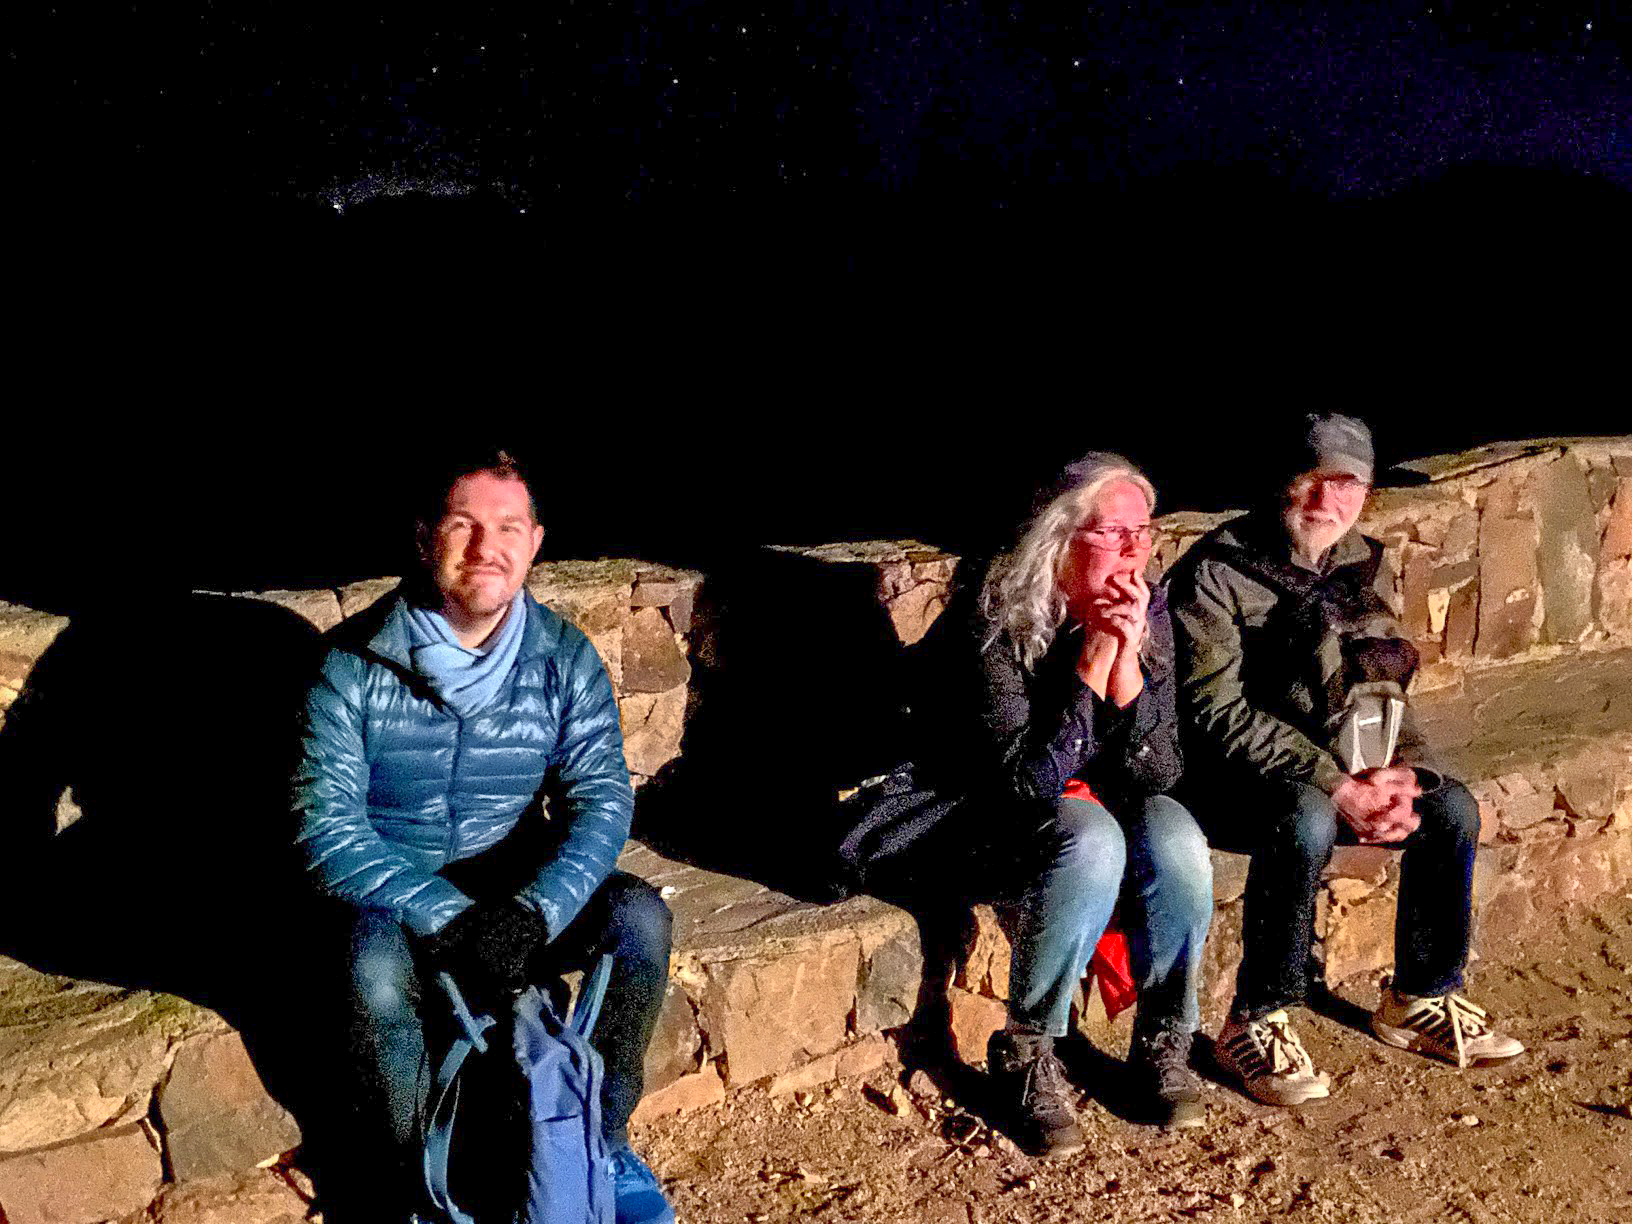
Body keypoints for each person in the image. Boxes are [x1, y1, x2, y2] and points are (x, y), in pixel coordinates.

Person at [292, 450, 675, 1224]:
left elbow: (600, 798)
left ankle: (600, 1136)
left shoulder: (563, 659)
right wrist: (450, 918)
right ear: (426, 535)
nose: (484, 548)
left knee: (639, 917)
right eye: (463, 525)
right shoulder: (350, 665)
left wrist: (534, 911)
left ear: (534, 542)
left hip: (512, 885)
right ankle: (408, 1180)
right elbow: (325, 826)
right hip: (395, 895)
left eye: (506, 527)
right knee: (368, 965)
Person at [837, 453, 1215, 1152]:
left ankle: (1166, 1035)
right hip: (965, 811)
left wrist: (1128, 665)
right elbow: (1024, 782)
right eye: (1114, 533)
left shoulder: (1144, 605)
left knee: (1177, 834)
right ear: (1060, 538)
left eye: (1145, 531)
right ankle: (1027, 1048)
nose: (1136, 549)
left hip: (1076, 798)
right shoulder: (995, 616)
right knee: (1091, 836)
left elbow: (1156, 771)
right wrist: (1095, 661)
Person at [1166, 413, 1523, 1108]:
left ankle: (1420, 995)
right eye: (1314, 481)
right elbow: (1214, 711)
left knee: (1449, 807)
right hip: (1227, 778)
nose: (1329, 502)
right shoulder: (1217, 571)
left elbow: (1384, 684)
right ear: (1284, 482)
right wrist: (1335, 783)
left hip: (1340, 769)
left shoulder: (1359, 563)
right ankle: (1258, 1017)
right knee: (1304, 816)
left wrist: (1405, 772)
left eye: (1349, 485)